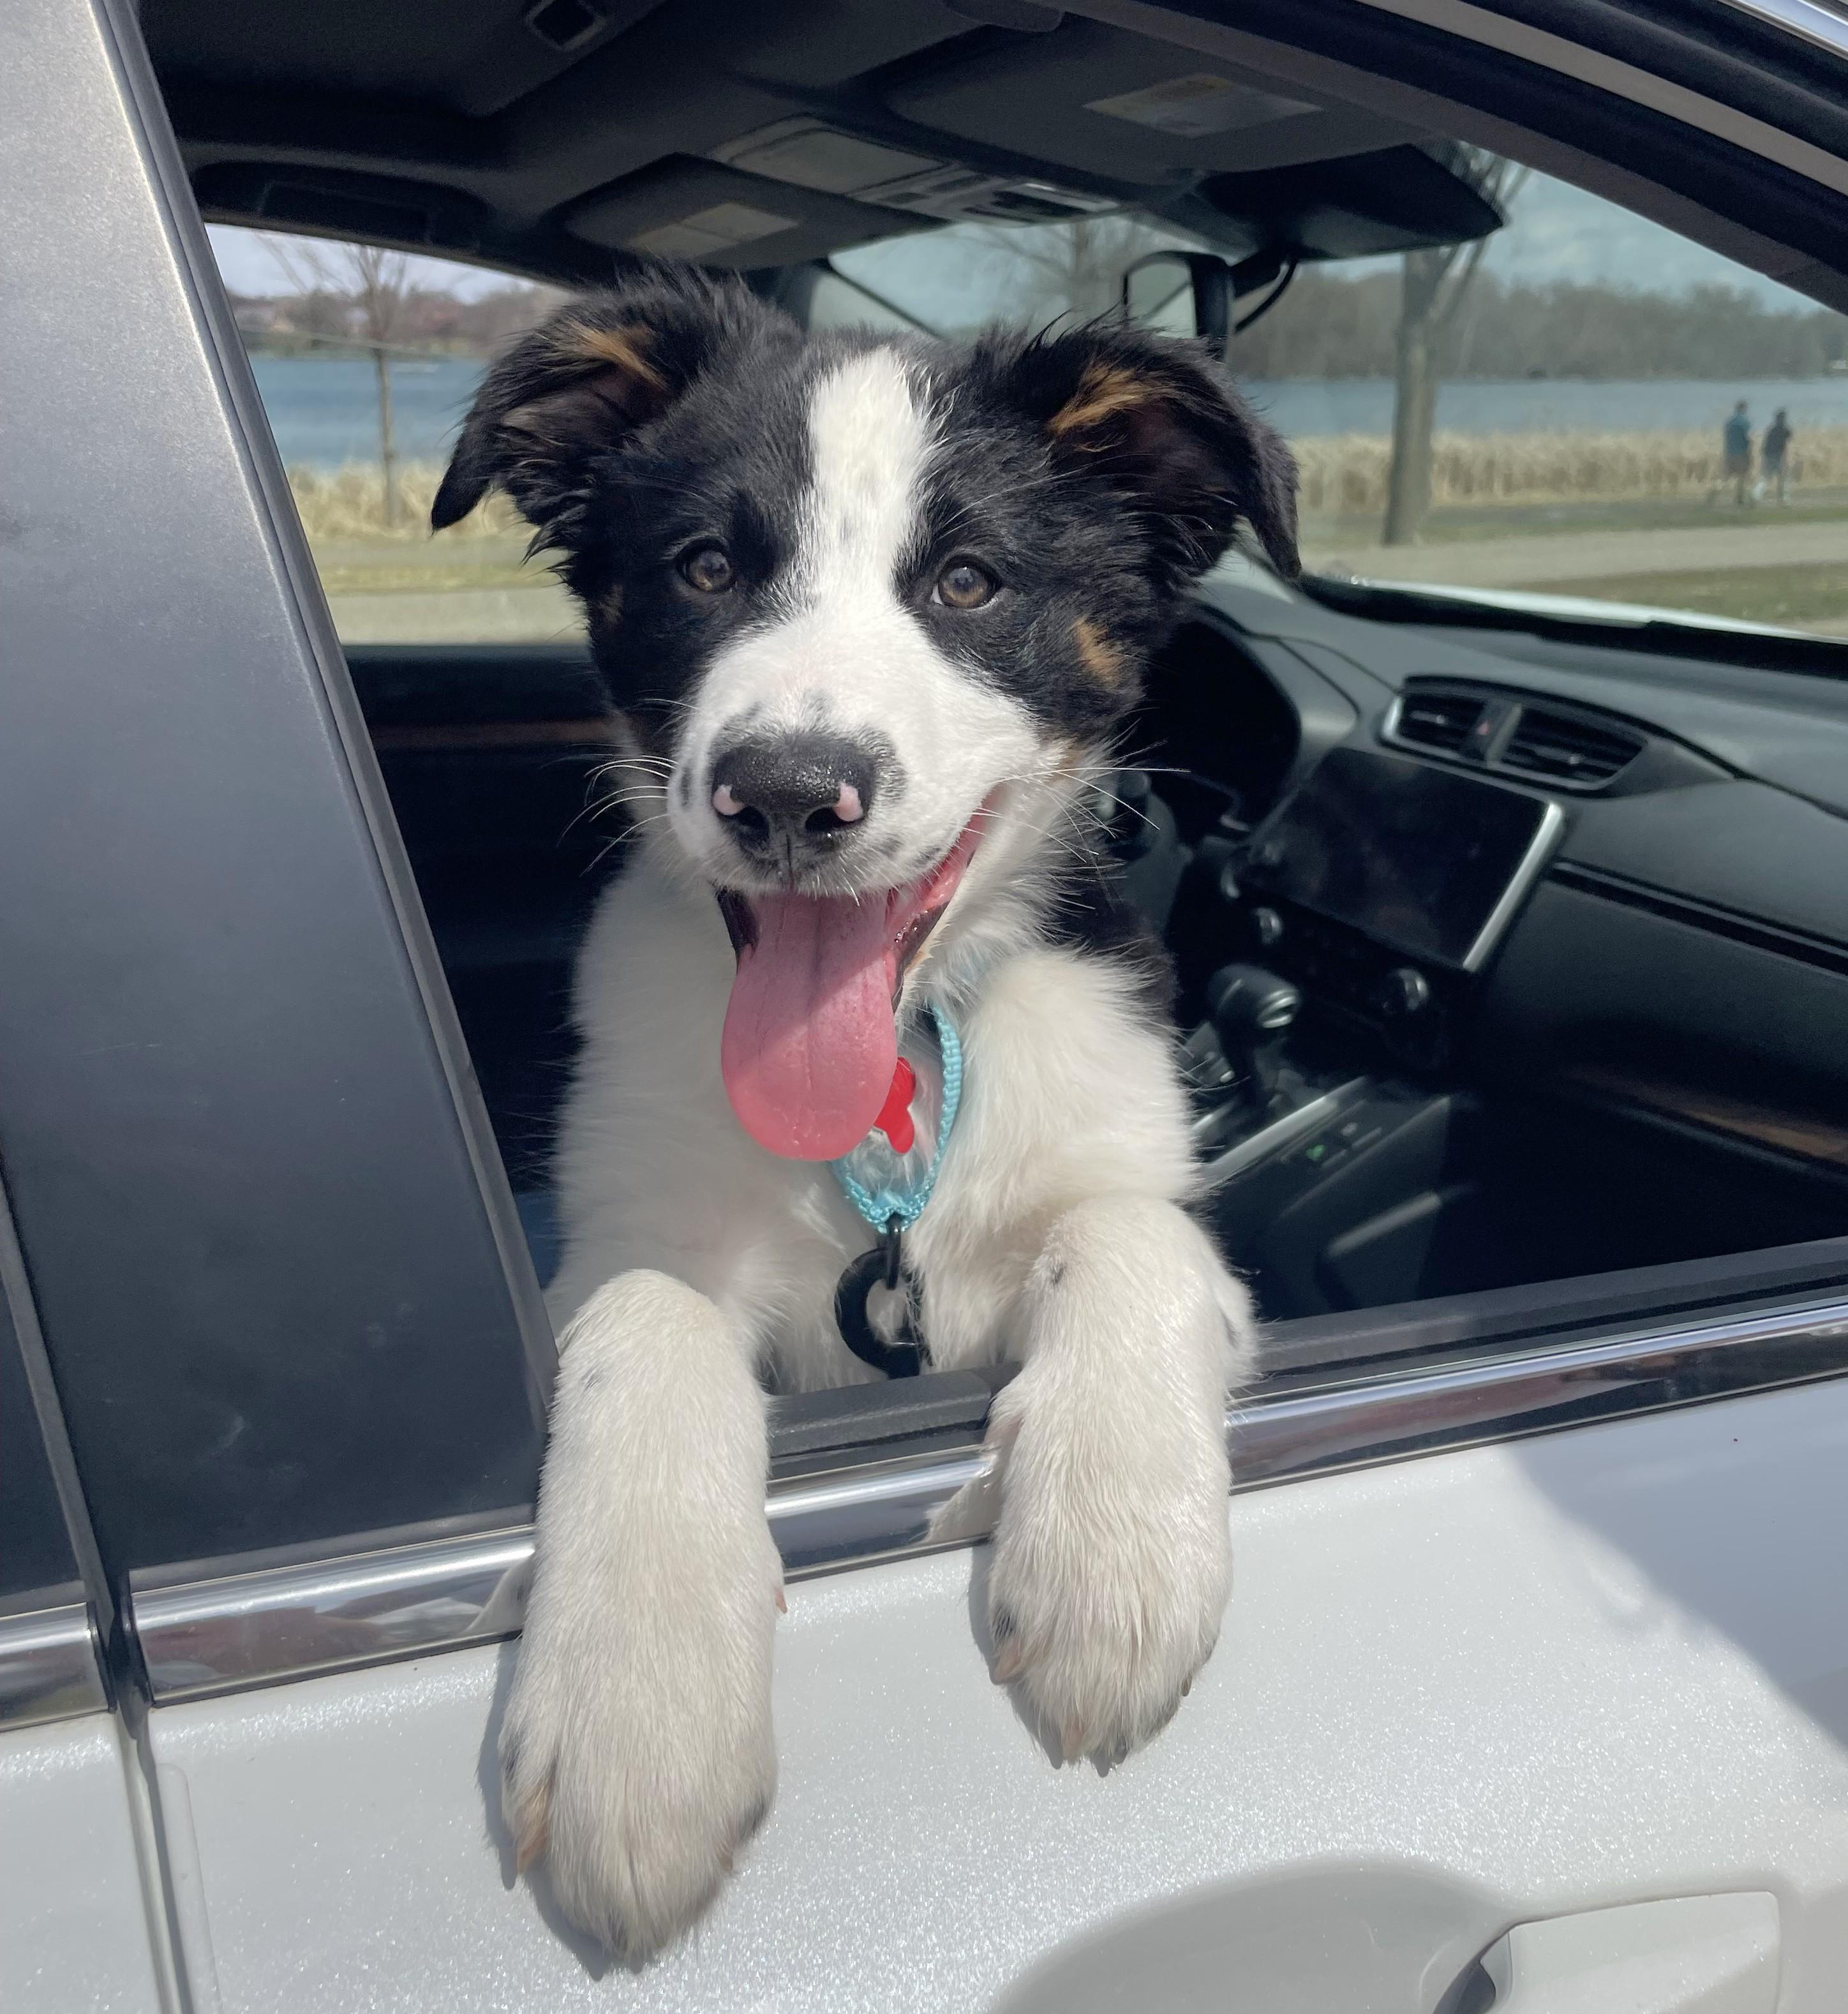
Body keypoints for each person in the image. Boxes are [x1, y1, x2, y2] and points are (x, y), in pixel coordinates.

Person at [1718, 399, 1754, 506]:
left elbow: (1726, 437)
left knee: (1726, 476)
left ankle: (1714, 492)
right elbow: (1747, 438)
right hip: (1741, 453)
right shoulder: (1745, 422)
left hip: (1729, 452)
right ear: (1743, 408)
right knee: (1742, 477)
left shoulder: (1729, 422)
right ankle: (1739, 499)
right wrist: (1749, 453)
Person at [1763, 407, 1793, 505]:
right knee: (1784, 479)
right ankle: (1784, 500)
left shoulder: (1771, 429)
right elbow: (1789, 440)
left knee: (1766, 478)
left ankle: (1756, 494)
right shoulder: (1785, 429)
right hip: (1779, 457)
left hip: (1768, 456)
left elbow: (1766, 444)